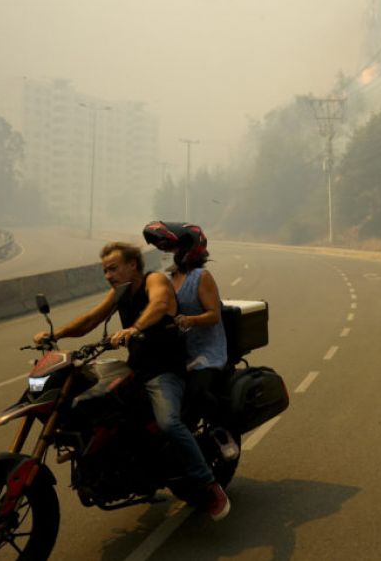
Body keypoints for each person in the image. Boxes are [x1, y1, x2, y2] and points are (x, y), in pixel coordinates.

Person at [31, 241, 230, 520]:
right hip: (135, 369)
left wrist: (134, 328)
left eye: (113, 268)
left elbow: (160, 304)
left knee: (169, 423)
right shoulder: (120, 293)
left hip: (165, 371)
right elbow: (90, 320)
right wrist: (56, 336)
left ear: (132, 265)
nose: (108, 276)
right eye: (105, 271)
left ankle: (207, 483)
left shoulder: (155, 280)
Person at [142, 221, 238, 459]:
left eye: (169, 249)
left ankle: (220, 431)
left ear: (187, 250)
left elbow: (213, 315)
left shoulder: (200, 277)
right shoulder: (164, 280)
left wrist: (189, 321)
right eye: (162, 249)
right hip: (178, 352)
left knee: (194, 392)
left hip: (206, 353)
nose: (164, 254)